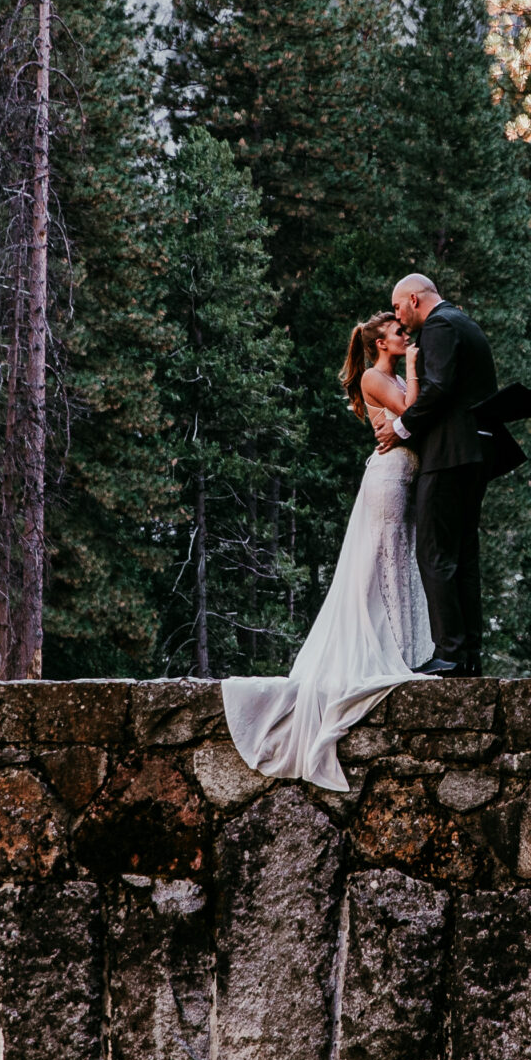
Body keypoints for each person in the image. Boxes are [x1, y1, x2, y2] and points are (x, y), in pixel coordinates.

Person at [221, 312, 433, 791]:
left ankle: (398, 646)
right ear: (381, 341)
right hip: (389, 477)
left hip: (402, 471)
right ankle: (391, 651)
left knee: (398, 559)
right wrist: (416, 367)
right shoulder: (375, 377)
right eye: (399, 333)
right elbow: (410, 408)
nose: (406, 337)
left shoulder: (386, 374)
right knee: (382, 560)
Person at [378, 271, 502, 677]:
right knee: (463, 555)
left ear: (415, 299)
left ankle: (449, 653)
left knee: (434, 551)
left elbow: (438, 389)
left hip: (449, 455)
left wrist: (399, 428)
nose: (398, 316)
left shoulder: (440, 324)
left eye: (398, 307)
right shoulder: (466, 323)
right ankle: (467, 654)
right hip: (475, 453)